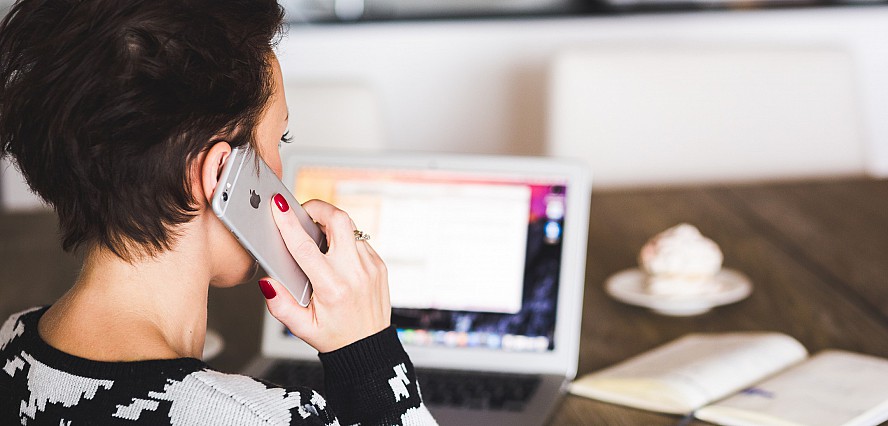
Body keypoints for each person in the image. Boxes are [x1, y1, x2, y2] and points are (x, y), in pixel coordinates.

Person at [0, 0, 436, 424]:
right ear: (221, 173)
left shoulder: (12, 344)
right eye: (279, 140)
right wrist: (371, 356)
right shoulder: (267, 418)